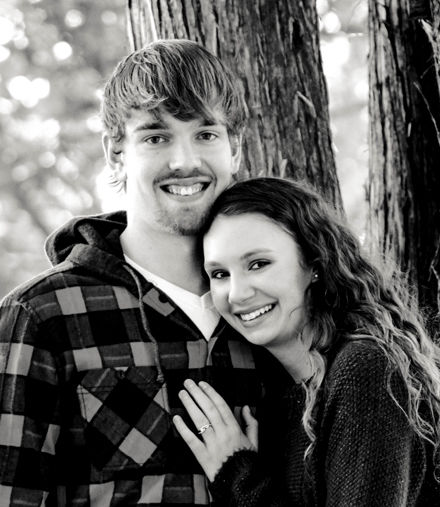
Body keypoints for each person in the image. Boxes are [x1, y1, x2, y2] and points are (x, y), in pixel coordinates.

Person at [0, 39, 262, 506]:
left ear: (235, 149)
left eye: (205, 134)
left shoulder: (272, 307)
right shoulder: (42, 315)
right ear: (116, 153)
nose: (185, 161)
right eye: (156, 137)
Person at [174, 177, 440, 506]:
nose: (237, 294)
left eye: (258, 264)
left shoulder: (364, 369)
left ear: (313, 263)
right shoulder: (279, 390)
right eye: (220, 274)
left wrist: (239, 475)